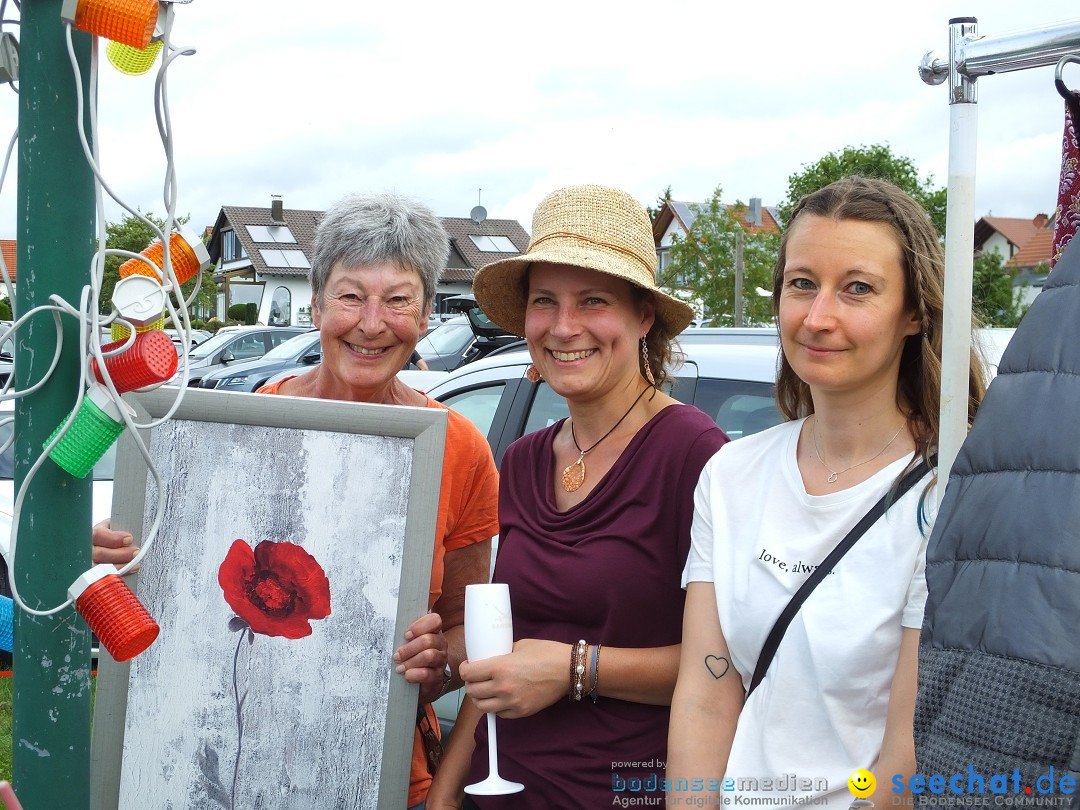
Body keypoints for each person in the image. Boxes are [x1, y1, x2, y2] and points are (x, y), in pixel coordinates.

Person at [94, 192, 499, 810]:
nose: (371, 323)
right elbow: (177, 580)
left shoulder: (461, 450)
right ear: (314, 305)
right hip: (219, 764)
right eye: (350, 295)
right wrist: (124, 557)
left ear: (424, 318)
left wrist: (438, 662)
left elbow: (464, 626)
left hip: (381, 772)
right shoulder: (232, 429)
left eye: (398, 301)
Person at [666, 176, 987, 807]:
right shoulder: (731, 475)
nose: (818, 317)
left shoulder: (952, 490)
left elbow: (905, 754)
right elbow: (707, 695)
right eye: (801, 283)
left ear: (916, 313)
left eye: (857, 289)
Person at [425, 185, 728, 809]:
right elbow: (499, 665)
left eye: (594, 301)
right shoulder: (526, 459)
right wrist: (445, 798)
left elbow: (725, 667)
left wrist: (572, 670)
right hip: (499, 790)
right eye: (545, 302)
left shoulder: (695, 456)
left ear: (644, 316)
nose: (565, 327)